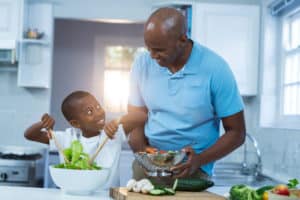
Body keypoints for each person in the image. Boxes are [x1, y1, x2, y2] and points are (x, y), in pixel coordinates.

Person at [128, 7, 246, 180]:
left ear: (182, 40)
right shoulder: (141, 64)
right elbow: (135, 117)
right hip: (147, 164)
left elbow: (237, 133)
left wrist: (199, 160)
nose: (152, 56)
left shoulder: (216, 69)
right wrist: (141, 152)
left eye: (159, 50)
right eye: (149, 48)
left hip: (193, 168)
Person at [24, 90, 146, 189]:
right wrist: (43, 124)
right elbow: (30, 135)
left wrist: (119, 120)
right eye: (89, 111)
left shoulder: (113, 132)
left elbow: (142, 116)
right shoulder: (66, 138)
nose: (99, 113)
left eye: (98, 106)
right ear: (76, 124)